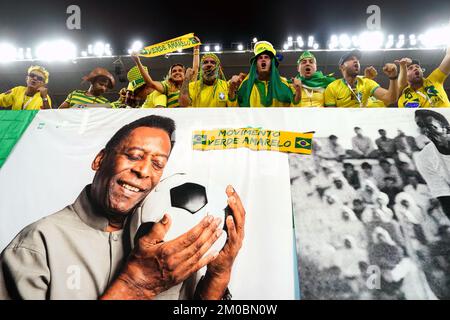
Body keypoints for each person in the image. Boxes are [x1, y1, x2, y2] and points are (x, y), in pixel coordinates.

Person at [0, 115, 246, 300]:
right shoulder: (36, 245)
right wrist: (135, 285)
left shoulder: (171, 242)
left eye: (158, 164)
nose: (144, 171)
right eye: (134, 155)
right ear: (99, 160)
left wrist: (218, 275)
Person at [228, 41, 301, 107]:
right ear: (255, 64)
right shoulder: (246, 84)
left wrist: (298, 91)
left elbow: (293, 108)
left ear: (272, 63)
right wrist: (232, 88)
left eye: (266, 57)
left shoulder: (283, 84)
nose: (263, 59)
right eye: (260, 58)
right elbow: (235, 108)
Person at [131, 40, 200, 108]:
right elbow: (150, 83)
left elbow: (196, 67)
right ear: (170, 75)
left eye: (180, 70)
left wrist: (196, 48)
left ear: (185, 74)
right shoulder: (167, 87)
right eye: (174, 71)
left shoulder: (190, 83)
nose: (177, 72)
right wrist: (138, 61)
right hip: (174, 118)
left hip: (190, 117)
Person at [324, 50, 399, 107]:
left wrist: (393, 77)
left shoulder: (367, 82)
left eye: (357, 60)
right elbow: (331, 115)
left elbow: (390, 99)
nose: (356, 61)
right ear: (342, 67)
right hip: (343, 125)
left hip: (363, 123)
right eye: (351, 59)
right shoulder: (332, 87)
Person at [414, 110, 450, 219]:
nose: (426, 131)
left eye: (431, 126)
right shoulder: (424, 158)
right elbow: (445, 199)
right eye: (421, 127)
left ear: (446, 128)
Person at [397, 43, 450, 107]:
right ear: (405, 74)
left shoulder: (434, 79)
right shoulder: (403, 98)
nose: (415, 68)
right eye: (410, 68)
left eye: (417, 67)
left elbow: (448, 57)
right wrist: (403, 66)